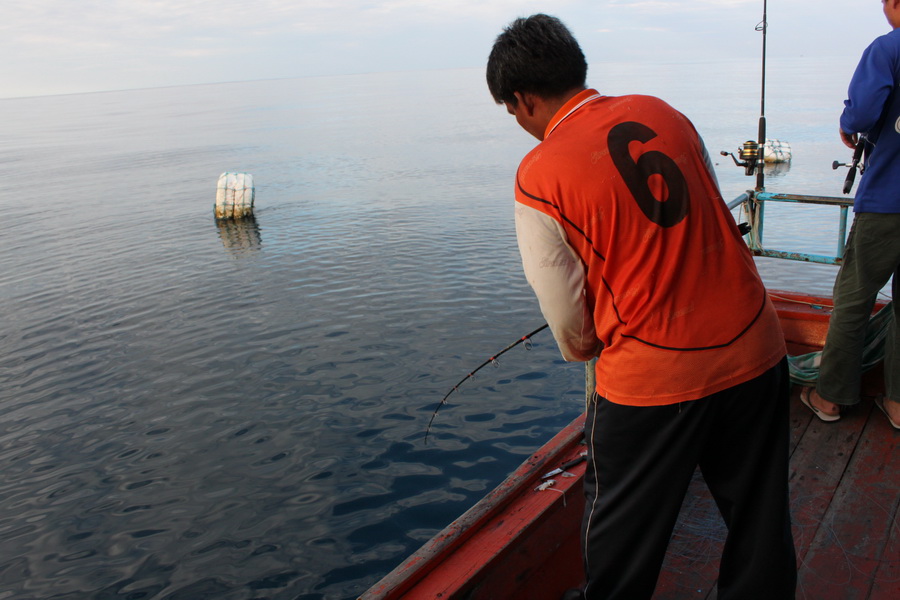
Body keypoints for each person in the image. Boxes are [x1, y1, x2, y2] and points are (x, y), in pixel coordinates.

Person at [486, 14, 797, 600]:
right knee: (760, 525)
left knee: (620, 549)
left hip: (654, 382)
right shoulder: (663, 112)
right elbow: (715, 217)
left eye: (512, 111)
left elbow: (571, 324)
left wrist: (590, 346)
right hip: (757, 344)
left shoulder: (538, 176)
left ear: (522, 100)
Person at [800, 0, 900, 430]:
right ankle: (898, 404)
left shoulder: (886, 49)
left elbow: (861, 114)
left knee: (853, 299)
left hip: (887, 202)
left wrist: (848, 123)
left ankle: (831, 396)